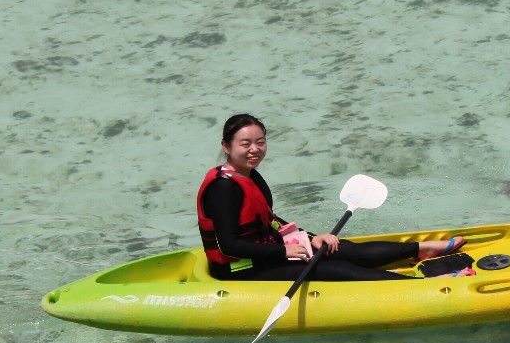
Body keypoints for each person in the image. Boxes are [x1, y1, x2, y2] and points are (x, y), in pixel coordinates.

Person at [196, 114, 461, 281]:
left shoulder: (250, 176)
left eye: (261, 142)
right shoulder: (224, 188)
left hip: (267, 253)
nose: (255, 149)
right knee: (334, 269)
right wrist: (283, 250)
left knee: (344, 249)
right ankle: (424, 284)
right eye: (245, 144)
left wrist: (311, 238)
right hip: (242, 269)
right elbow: (229, 245)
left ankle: (421, 249)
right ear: (226, 146)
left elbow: (270, 221)